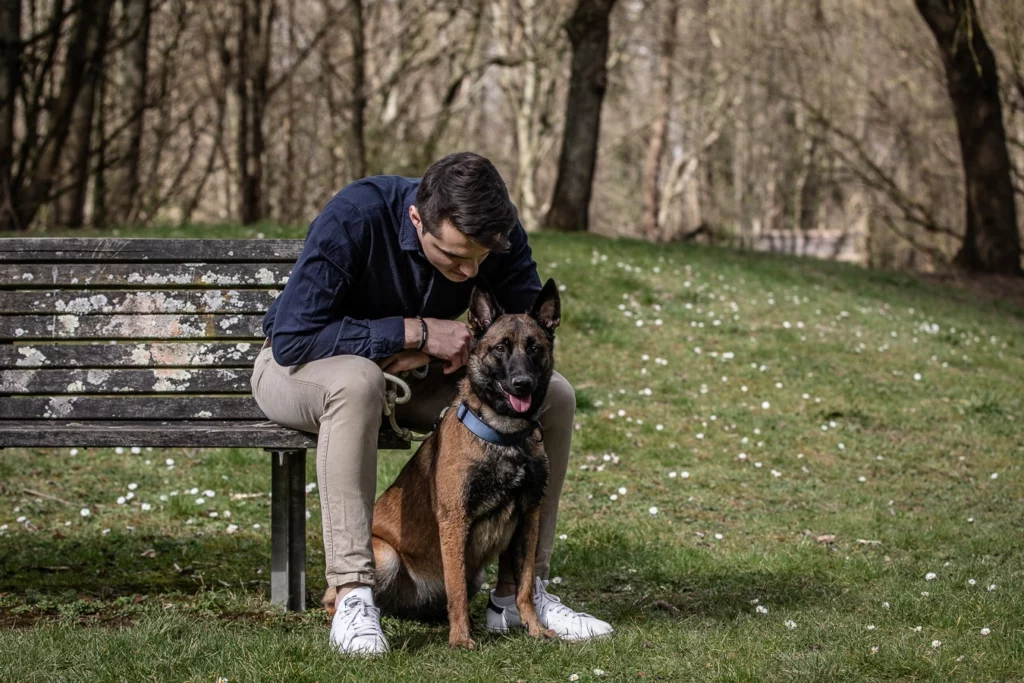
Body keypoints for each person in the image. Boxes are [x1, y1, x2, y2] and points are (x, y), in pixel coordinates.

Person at [251, 152, 613, 655]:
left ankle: (517, 596)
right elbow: (293, 337)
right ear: (417, 218)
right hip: (304, 373)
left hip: (419, 379)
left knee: (554, 396)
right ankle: (355, 592)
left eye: (479, 260)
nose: (468, 273)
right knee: (358, 382)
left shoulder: (493, 231)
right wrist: (414, 332)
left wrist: (434, 350)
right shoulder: (356, 216)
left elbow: (524, 322)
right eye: (453, 257)